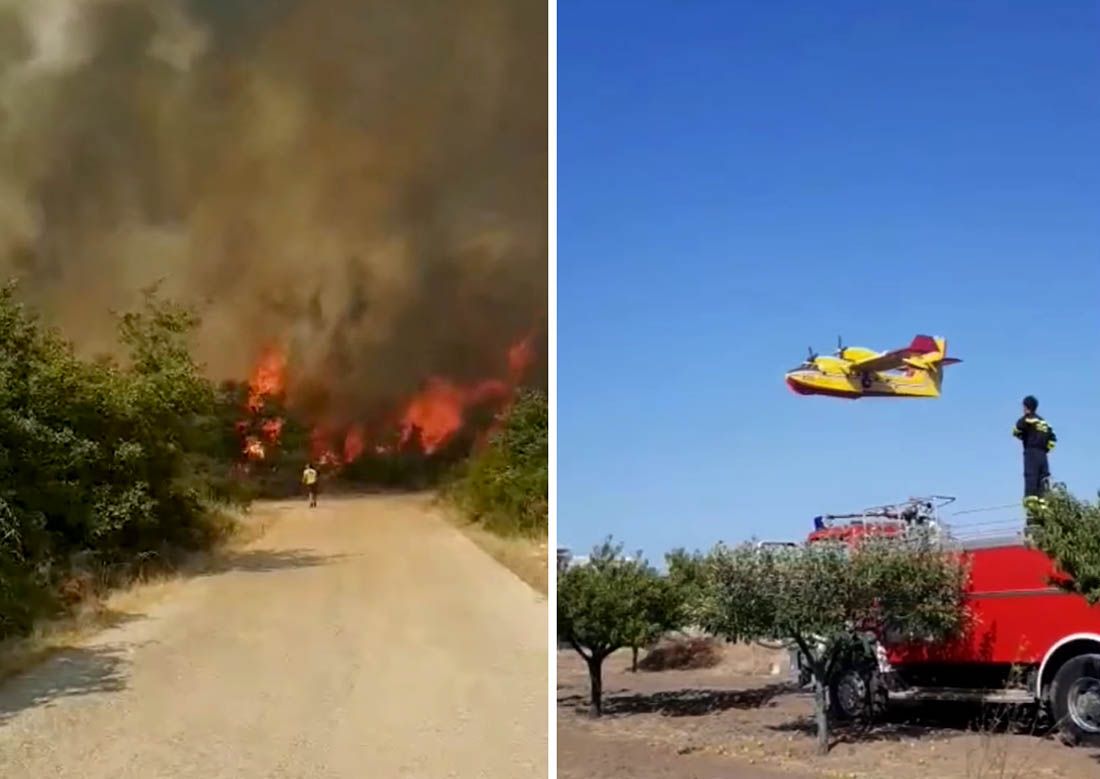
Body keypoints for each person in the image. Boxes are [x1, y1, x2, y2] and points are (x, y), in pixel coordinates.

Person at [1013, 395, 1056, 511]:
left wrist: (1023, 436)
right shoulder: (1044, 423)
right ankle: (1044, 507)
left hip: (1031, 453)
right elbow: (1053, 440)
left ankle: (1032, 511)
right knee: (1043, 480)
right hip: (1043, 456)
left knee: (1031, 477)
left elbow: (1016, 430)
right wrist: (1046, 448)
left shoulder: (1027, 420)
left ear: (1027, 407)